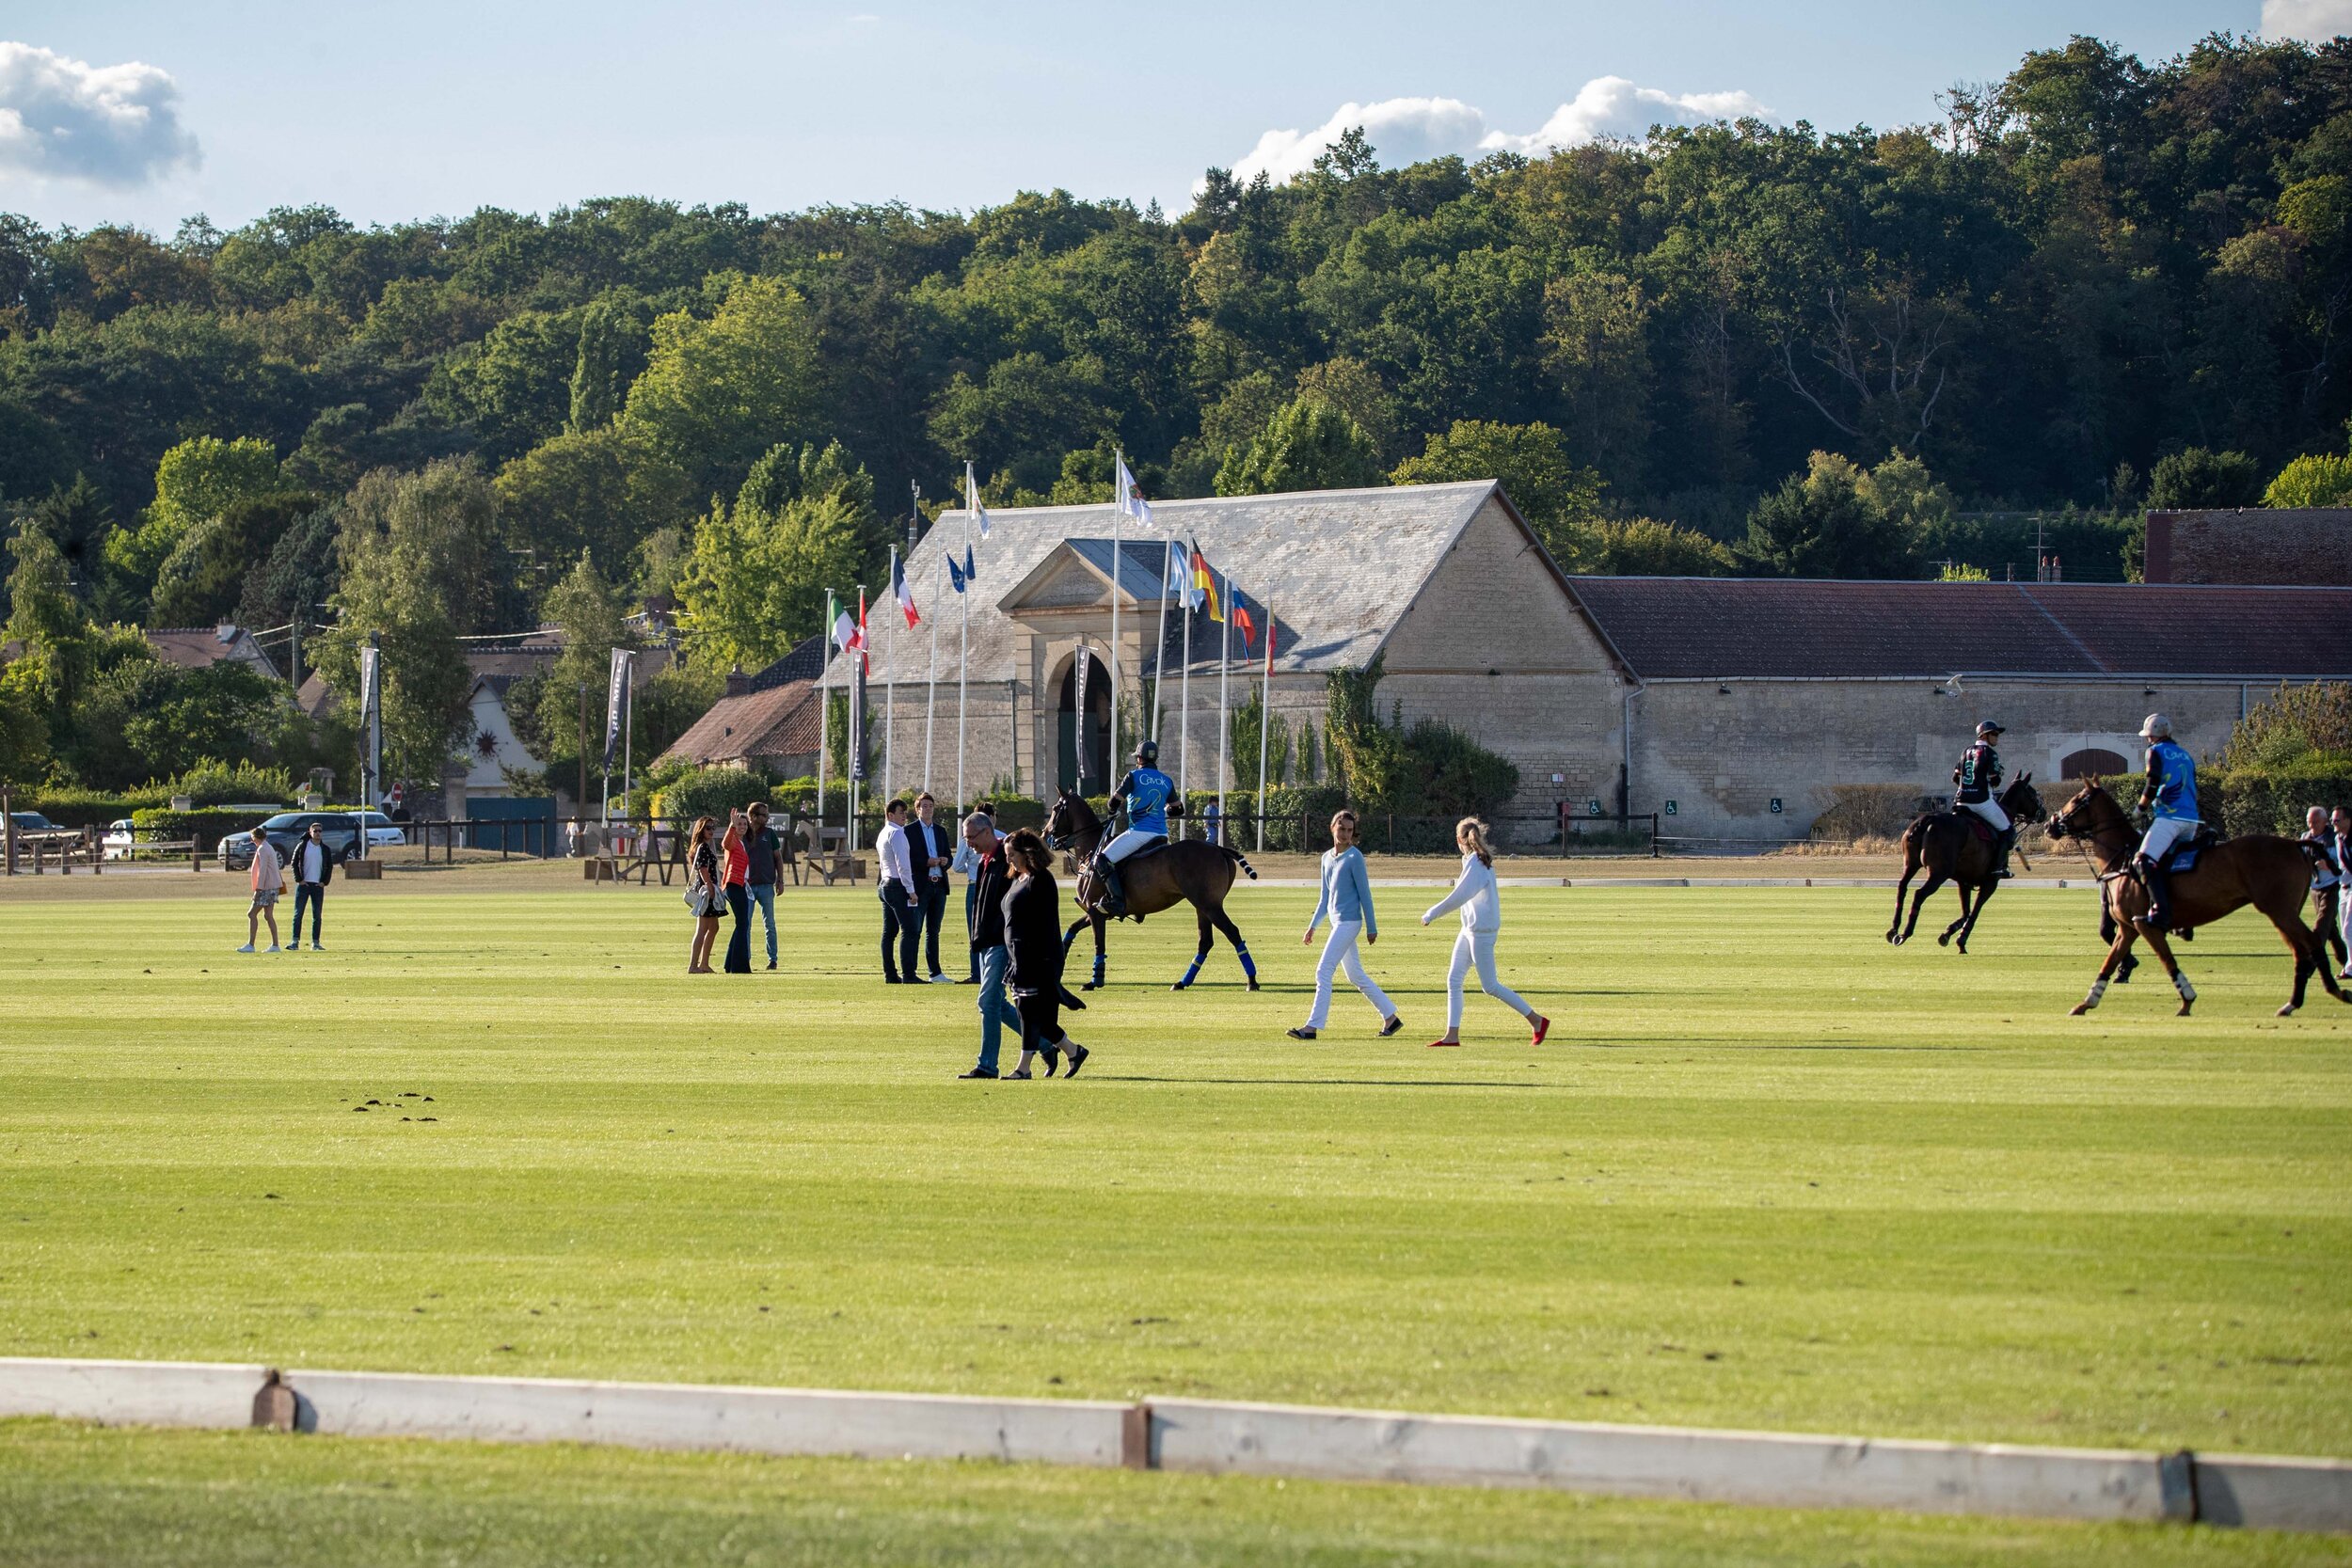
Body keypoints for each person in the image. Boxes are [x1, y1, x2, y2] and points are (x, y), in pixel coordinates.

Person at [1421, 818, 1549, 1048]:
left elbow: (1460, 896)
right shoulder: (1472, 861)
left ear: (1459, 840)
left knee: (1490, 986)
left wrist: (1432, 913)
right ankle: (1452, 1036)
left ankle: (1537, 1020)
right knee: (1453, 979)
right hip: (1470, 929)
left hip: (1481, 931)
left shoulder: (1477, 865)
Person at [1288, 809, 1403, 1041]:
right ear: (1333, 828)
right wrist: (1312, 926)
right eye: (1342, 829)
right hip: (1336, 923)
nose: (1345, 834)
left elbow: (1365, 895)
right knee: (1356, 976)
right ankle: (1391, 1017)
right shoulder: (1326, 858)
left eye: (1349, 830)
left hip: (1349, 923)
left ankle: (1312, 1027)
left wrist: (1372, 927)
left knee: (1323, 971)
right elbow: (1324, 897)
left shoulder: (1355, 857)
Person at [1000, 828, 1088, 1078]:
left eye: (1011, 854)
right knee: (1035, 1016)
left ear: (1027, 854)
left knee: (1029, 1012)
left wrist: (1040, 961)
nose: (1008, 860)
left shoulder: (1041, 880)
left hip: (1037, 956)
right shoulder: (1018, 878)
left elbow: (1046, 924)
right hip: (1018, 956)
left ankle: (1023, 1069)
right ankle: (1073, 1051)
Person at [956, 811, 1027, 1079]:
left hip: (1001, 943)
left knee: (987, 1001)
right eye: (965, 839)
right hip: (986, 942)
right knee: (997, 1002)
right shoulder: (984, 860)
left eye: (971, 838)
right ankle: (1049, 1043)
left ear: (987, 832)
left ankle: (987, 1065)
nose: (968, 844)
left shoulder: (1008, 860)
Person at [1089, 741, 1177, 918]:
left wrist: (1112, 811)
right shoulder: (1166, 780)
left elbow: (1114, 801)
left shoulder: (1133, 776)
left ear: (1139, 758)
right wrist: (1165, 809)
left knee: (1102, 861)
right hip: (1162, 835)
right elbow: (1178, 809)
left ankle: (1117, 901)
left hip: (1139, 832)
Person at [2133, 713, 2201, 931]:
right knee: (2170, 866)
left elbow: (2152, 784)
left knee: (2143, 861)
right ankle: (2183, 920)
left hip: (2170, 818)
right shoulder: (2185, 754)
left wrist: (2139, 809)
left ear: (2152, 736)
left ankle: (2160, 911)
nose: (2147, 740)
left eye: (2148, 736)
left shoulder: (2154, 751)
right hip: (2191, 819)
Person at [1951, 721, 2015, 879]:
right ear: (1984, 736)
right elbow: (1995, 782)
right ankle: (1998, 867)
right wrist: (1997, 773)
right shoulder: (1990, 753)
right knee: (2008, 831)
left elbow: (1955, 778)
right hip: (1980, 802)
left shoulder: (1965, 751)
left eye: (1997, 734)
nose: (1997, 737)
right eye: (1994, 734)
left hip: (1960, 801)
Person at [910, 793, 958, 981]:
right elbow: (908, 860)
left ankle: (935, 973)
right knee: (915, 930)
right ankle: (910, 971)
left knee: (934, 931)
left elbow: (949, 856)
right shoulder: (910, 831)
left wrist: (945, 862)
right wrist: (926, 862)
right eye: (924, 806)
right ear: (917, 809)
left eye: (930, 805)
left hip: (939, 885)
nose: (928, 809)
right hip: (922, 886)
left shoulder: (940, 831)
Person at [874, 799, 921, 983]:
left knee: (889, 932)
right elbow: (903, 866)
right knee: (909, 930)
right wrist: (911, 890)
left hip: (885, 884)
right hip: (896, 885)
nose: (905, 816)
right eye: (901, 812)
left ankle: (890, 974)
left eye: (905, 813)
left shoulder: (883, 833)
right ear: (890, 814)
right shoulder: (897, 833)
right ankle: (909, 974)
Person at [2303, 806, 2347, 971]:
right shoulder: (2305, 838)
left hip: (2333, 888)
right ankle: (2347, 962)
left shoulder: (2335, 838)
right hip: (2314, 889)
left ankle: (2310, 964)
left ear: (2324, 821)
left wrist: (2329, 865)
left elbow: (2345, 861)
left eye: (2315, 822)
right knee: (2331, 931)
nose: (2312, 825)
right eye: (2309, 822)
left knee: (2321, 927)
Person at [743, 802, 785, 970]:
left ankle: (773, 959)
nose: (766, 818)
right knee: (745, 924)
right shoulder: (743, 833)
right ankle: (745, 958)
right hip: (747, 886)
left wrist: (780, 880)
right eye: (763, 815)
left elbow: (778, 858)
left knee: (770, 924)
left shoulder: (770, 833)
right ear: (753, 816)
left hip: (767, 885)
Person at [288, 820, 334, 952]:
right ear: (310, 832)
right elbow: (294, 863)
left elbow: (330, 866)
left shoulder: (325, 849)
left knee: (317, 915)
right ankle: (295, 942)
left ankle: (315, 943)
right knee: (298, 914)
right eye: (315, 831)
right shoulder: (302, 846)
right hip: (304, 885)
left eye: (320, 831)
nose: (318, 833)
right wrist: (299, 879)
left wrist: (324, 882)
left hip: (317, 886)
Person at [238, 826, 284, 954]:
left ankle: (251, 945)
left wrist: (258, 889)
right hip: (272, 886)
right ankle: (275, 945)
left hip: (266, 887)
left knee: (251, 914)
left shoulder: (263, 849)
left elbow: (263, 870)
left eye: (253, 839)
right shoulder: (268, 847)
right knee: (268, 915)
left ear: (257, 837)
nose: (252, 841)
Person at [687, 816, 722, 974]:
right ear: (700, 830)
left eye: (713, 828)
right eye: (708, 828)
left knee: (713, 927)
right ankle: (693, 965)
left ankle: (704, 964)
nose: (711, 831)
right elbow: (702, 869)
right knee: (702, 928)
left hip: (710, 888)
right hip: (706, 891)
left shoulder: (707, 846)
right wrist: (710, 886)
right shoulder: (703, 847)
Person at [721, 808, 753, 974]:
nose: (742, 826)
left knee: (741, 924)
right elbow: (725, 844)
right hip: (734, 885)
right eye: (739, 824)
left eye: (744, 824)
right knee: (742, 924)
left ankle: (730, 964)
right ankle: (739, 967)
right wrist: (731, 827)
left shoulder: (741, 842)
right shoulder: (733, 840)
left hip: (739, 885)